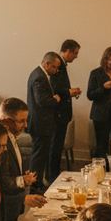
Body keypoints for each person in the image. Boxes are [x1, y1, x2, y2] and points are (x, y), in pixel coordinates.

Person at [0, 97, 42, 221]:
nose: (26, 125)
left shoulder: (10, 134)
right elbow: (2, 181)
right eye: (21, 121)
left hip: (12, 207)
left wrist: (23, 178)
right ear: (7, 121)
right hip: (4, 210)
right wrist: (23, 186)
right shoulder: (0, 142)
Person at [27, 51, 62, 191]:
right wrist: (55, 99)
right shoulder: (39, 77)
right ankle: (35, 184)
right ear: (47, 64)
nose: (56, 70)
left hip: (42, 122)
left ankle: (37, 181)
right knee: (38, 156)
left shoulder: (39, 74)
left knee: (41, 155)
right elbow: (41, 100)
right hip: (40, 123)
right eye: (54, 67)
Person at [48, 39, 82, 184]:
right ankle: (52, 177)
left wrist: (69, 92)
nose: (76, 56)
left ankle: (54, 175)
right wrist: (69, 92)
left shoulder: (62, 64)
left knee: (57, 147)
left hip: (62, 113)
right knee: (55, 148)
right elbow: (54, 88)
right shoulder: (58, 64)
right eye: (75, 53)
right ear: (67, 51)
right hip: (58, 113)